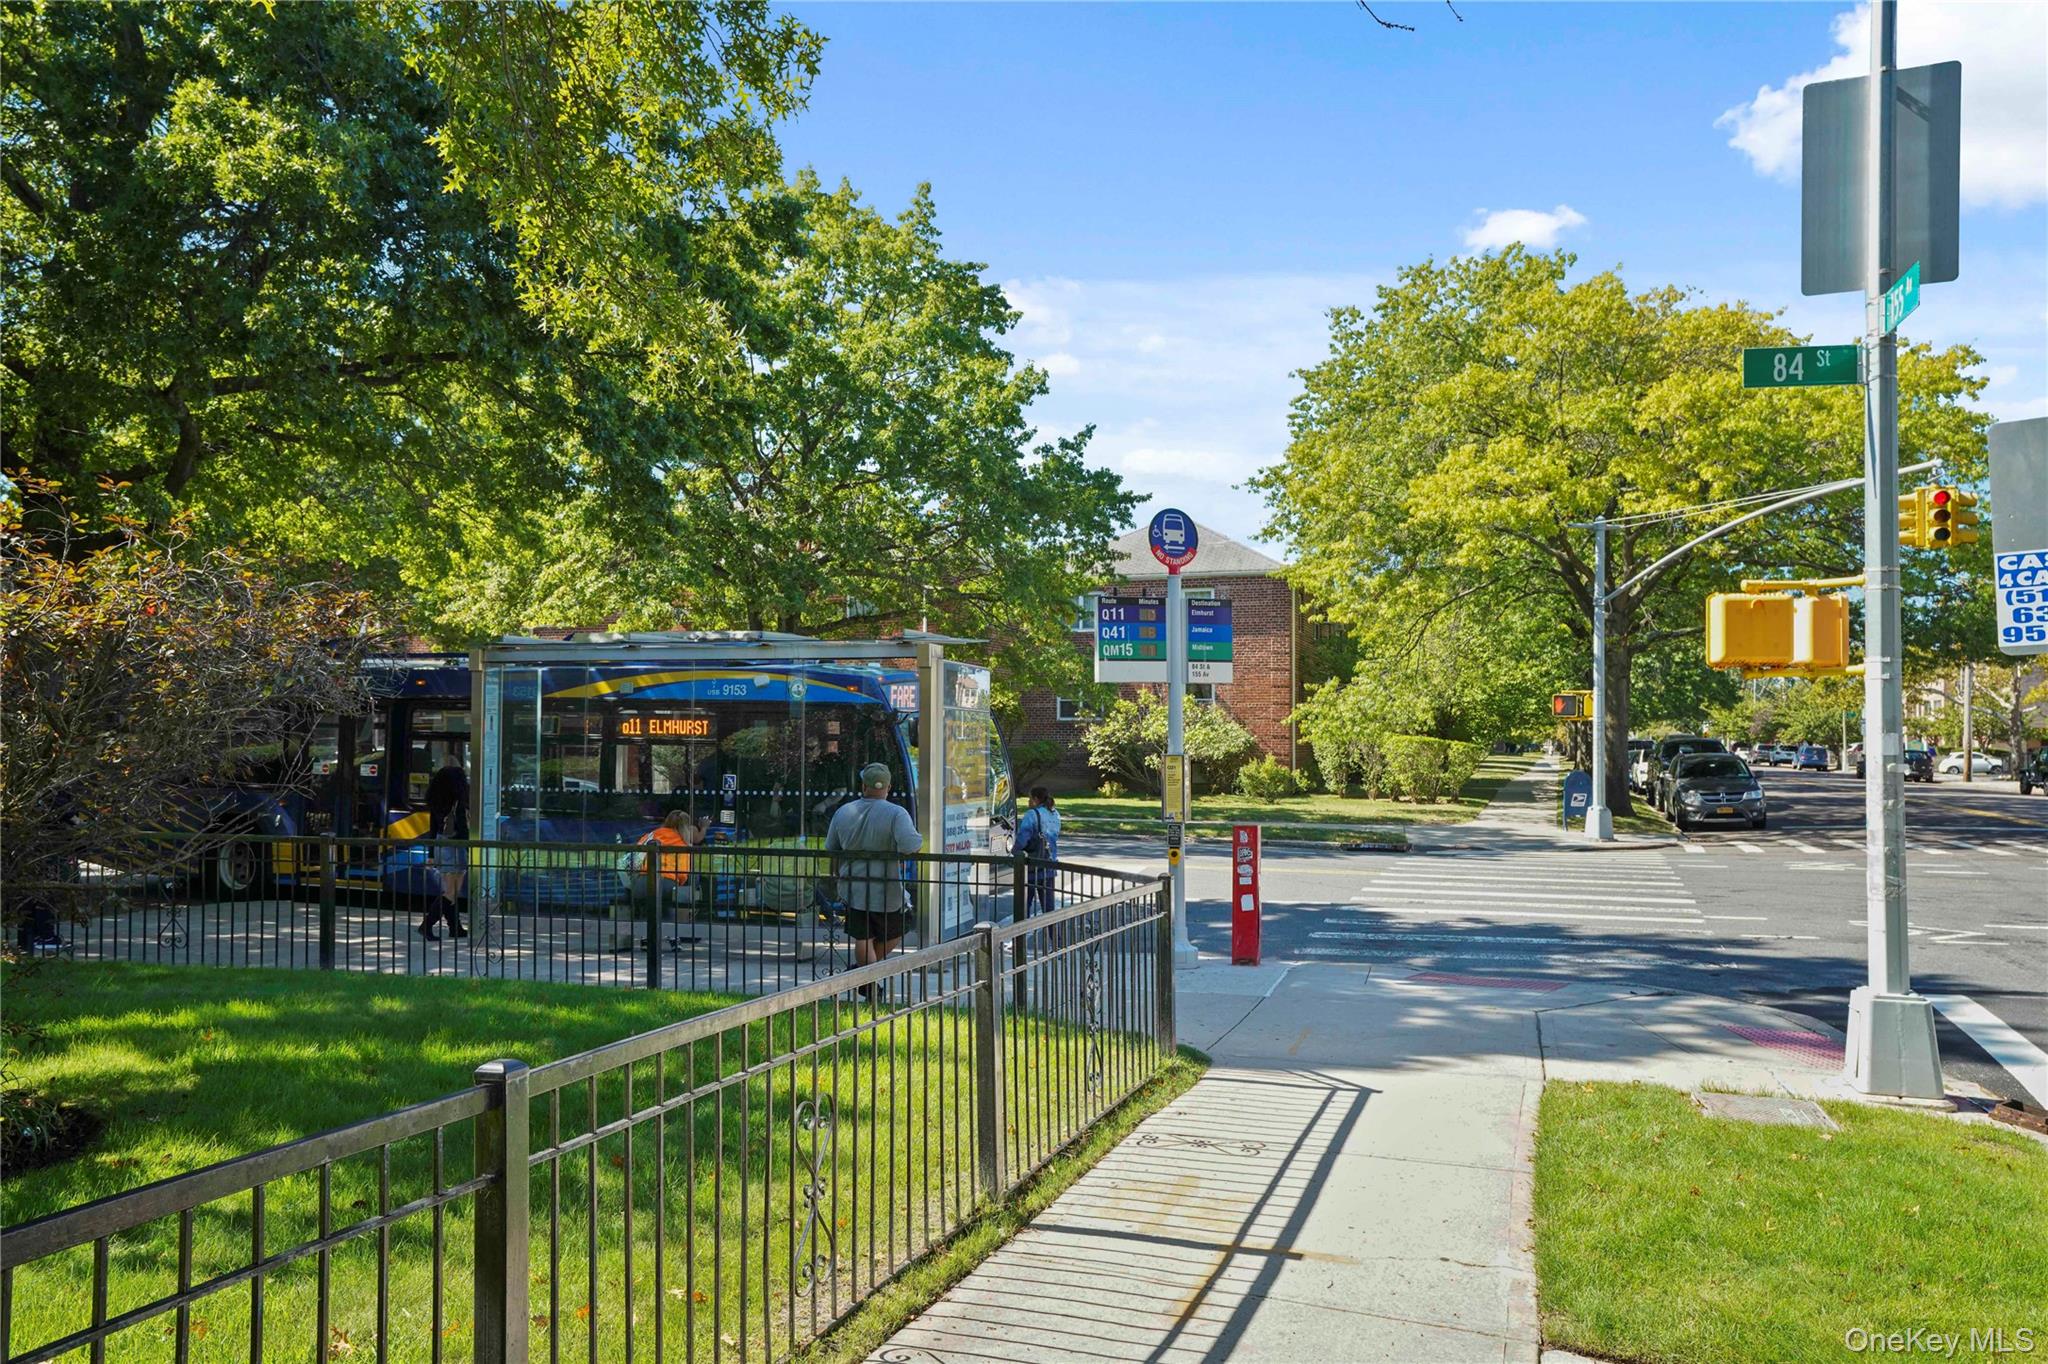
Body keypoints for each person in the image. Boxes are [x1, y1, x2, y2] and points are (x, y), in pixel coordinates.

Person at [824, 762, 922, 995]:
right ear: (888, 787)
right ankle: (866, 982)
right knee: (897, 929)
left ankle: (861, 975)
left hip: (853, 886)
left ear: (863, 786)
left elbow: (831, 847)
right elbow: (910, 845)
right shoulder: (897, 813)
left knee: (863, 935)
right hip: (887, 888)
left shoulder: (844, 812)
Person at [614, 810, 696, 953]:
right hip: (667, 883)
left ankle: (646, 939)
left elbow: (636, 856)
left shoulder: (651, 835)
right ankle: (674, 938)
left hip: (641, 882)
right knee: (668, 903)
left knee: (648, 904)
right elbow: (683, 873)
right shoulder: (682, 843)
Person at [420, 757, 469, 940]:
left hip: (441, 843)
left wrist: (431, 853)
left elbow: (433, 829)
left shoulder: (436, 801)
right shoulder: (458, 803)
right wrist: (470, 849)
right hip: (455, 846)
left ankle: (455, 927)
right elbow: (462, 829)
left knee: (450, 890)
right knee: (452, 892)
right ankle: (427, 925)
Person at [1013, 787, 1061, 919]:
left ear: (1035, 799)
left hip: (1032, 866)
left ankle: (1022, 930)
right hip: (1049, 864)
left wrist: (1014, 852)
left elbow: (1023, 838)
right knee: (1049, 907)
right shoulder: (1055, 813)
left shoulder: (1032, 814)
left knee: (1024, 905)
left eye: (1029, 798)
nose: (1028, 802)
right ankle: (1053, 931)